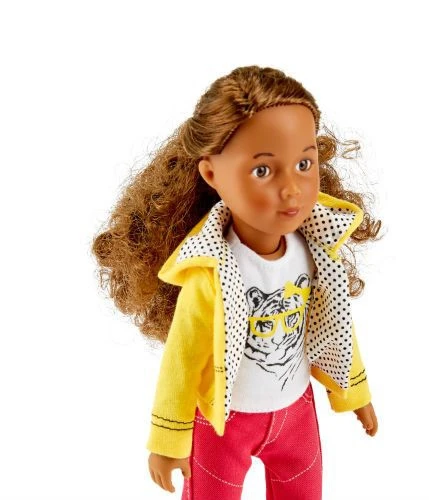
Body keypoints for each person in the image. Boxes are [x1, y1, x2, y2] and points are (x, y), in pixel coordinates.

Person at [92, 65, 382, 499]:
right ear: (212, 175)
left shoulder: (316, 247)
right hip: (223, 423)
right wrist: (168, 439)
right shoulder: (210, 270)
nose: (292, 189)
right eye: (263, 171)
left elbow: (335, 324)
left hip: (297, 412)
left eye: (304, 164)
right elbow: (182, 360)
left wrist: (353, 390)